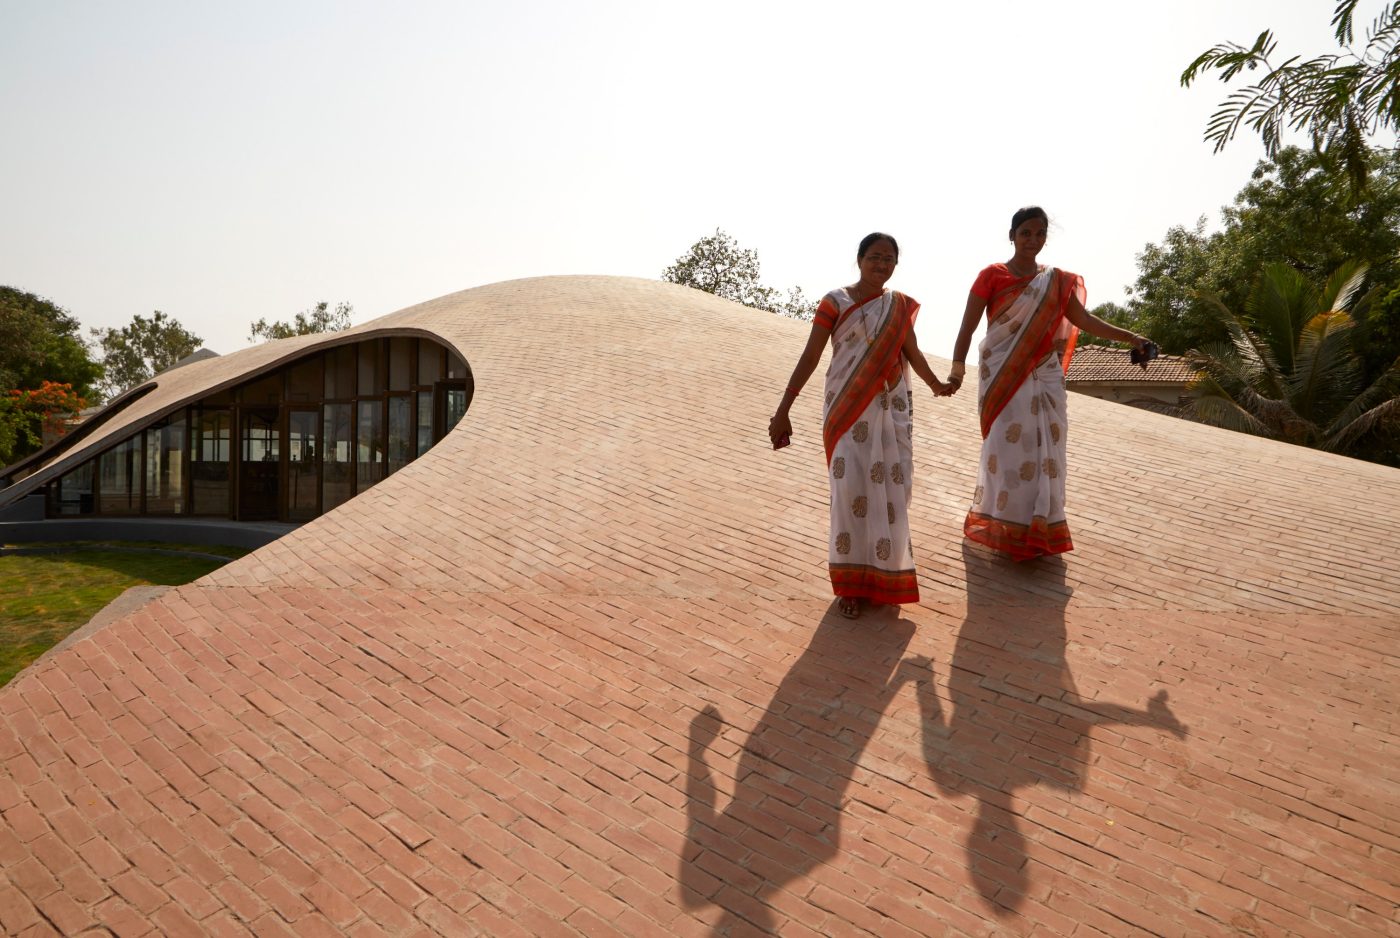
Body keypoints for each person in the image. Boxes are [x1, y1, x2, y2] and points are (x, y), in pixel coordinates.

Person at [944, 206, 1151, 561]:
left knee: (1045, 452)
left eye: (1039, 234)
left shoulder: (1056, 280)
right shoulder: (991, 276)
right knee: (1009, 452)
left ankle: (1041, 528)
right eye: (1025, 232)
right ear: (1012, 235)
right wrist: (957, 370)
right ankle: (1007, 527)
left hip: (1046, 374)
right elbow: (968, 326)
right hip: (1004, 375)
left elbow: (1083, 319)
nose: (1032, 240)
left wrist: (1131, 337)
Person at [769, 233, 948, 619]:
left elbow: (911, 351)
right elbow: (812, 354)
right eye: (874, 257)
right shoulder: (836, 302)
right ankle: (850, 585)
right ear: (859, 259)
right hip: (847, 411)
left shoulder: (897, 305)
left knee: (891, 494)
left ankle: (883, 578)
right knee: (850, 494)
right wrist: (784, 408)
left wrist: (936, 384)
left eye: (888, 259)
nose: (881, 265)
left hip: (890, 409)